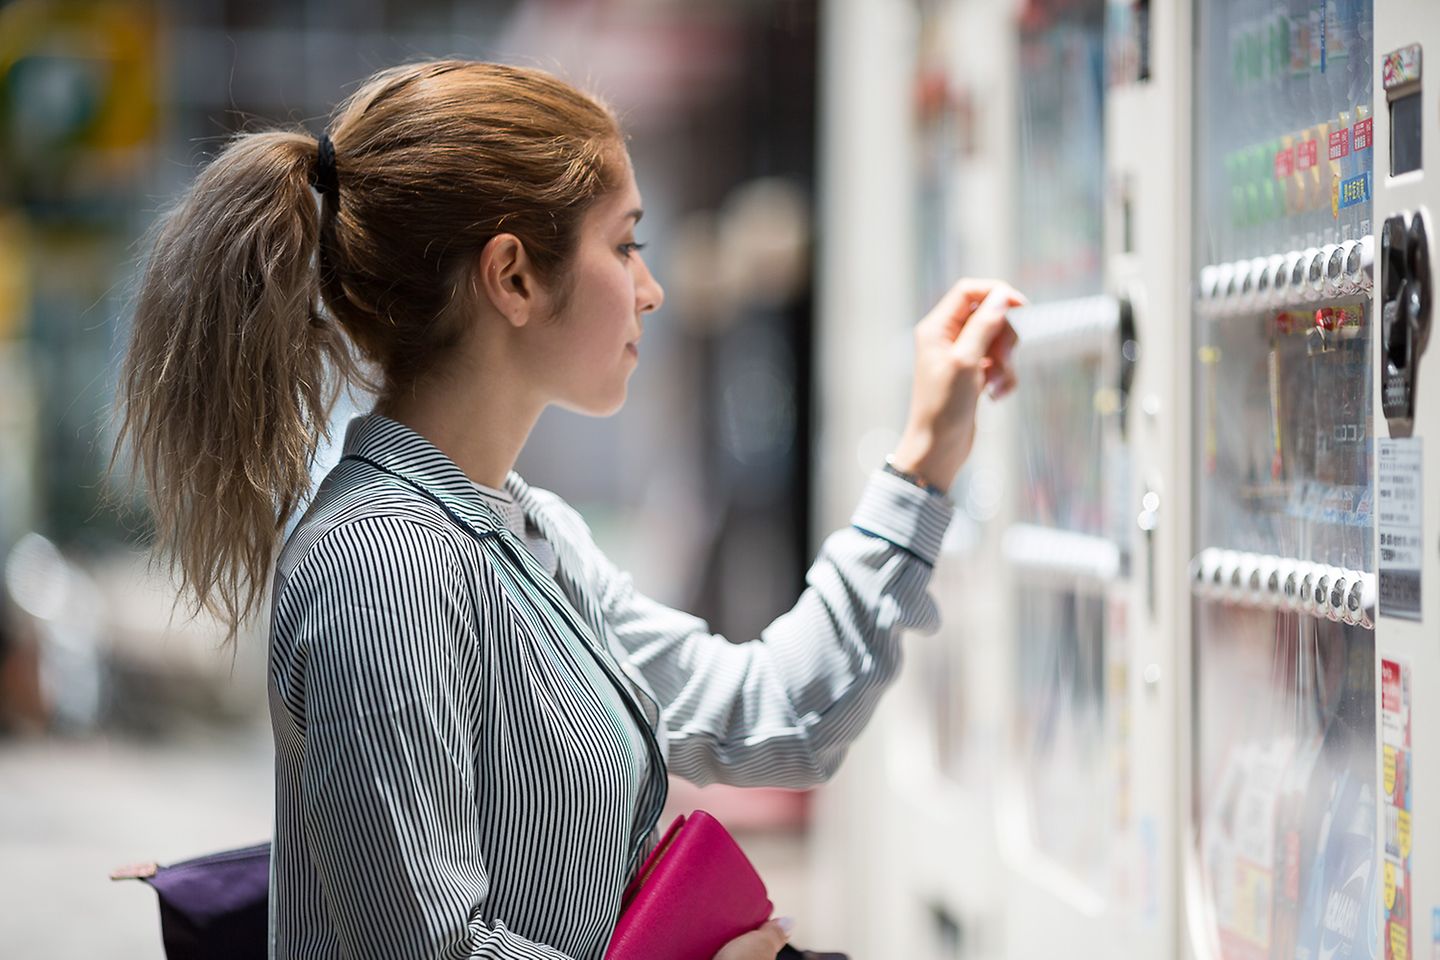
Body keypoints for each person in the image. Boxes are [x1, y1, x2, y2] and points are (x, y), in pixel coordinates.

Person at [114, 60, 1022, 960]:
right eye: (625, 244)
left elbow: (770, 716)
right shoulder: (380, 566)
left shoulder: (528, 530)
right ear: (511, 276)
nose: (649, 287)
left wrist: (923, 461)